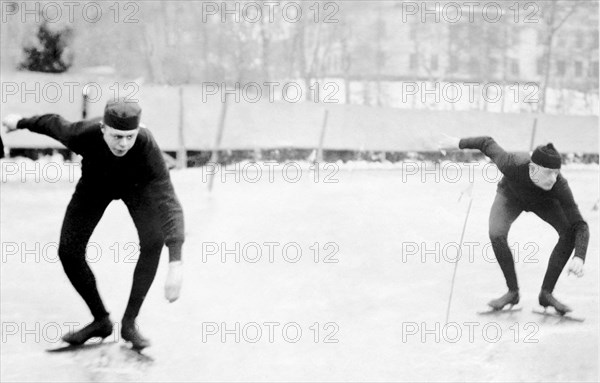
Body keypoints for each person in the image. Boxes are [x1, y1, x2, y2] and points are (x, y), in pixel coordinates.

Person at [2, 98, 185, 349]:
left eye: (129, 136)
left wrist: (176, 262)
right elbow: (52, 124)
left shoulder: (147, 146)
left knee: (153, 242)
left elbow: (168, 201)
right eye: (117, 136)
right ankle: (101, 320)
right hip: (96, 184)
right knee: (68, 251)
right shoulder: (83, 134)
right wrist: (19, 122)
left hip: (137, 188)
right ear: (103, 129)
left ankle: (130, 323)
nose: (123, 144)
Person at [439, 135, 589, 314]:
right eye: (548, 173)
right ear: (533, 168)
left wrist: (579, 256)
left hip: (544, 202)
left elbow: (580, 224)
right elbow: (486, 142)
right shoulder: (512, 163)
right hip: (511, 196)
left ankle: (546, 294)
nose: (553, 178)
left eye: (556, 173)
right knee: (496, 233)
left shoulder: (559, 186)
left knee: (568, 233)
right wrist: (458, 143)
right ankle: (512, 292)